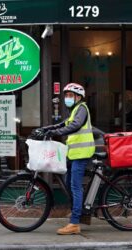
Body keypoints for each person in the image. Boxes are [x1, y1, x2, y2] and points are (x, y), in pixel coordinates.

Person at [39, 83, 95, 235]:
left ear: (78, 97)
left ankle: (75, 223)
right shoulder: (75, 110)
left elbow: (75, 125)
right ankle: (78, 211)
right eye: (66, 95)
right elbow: (64, 123)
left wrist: (55, 132)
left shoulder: (82, 108)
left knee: (75, 186)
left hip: (81, 153)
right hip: (73, 154)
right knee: (68, 183)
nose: (67, 98)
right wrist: (47, 129)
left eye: (70, 95)